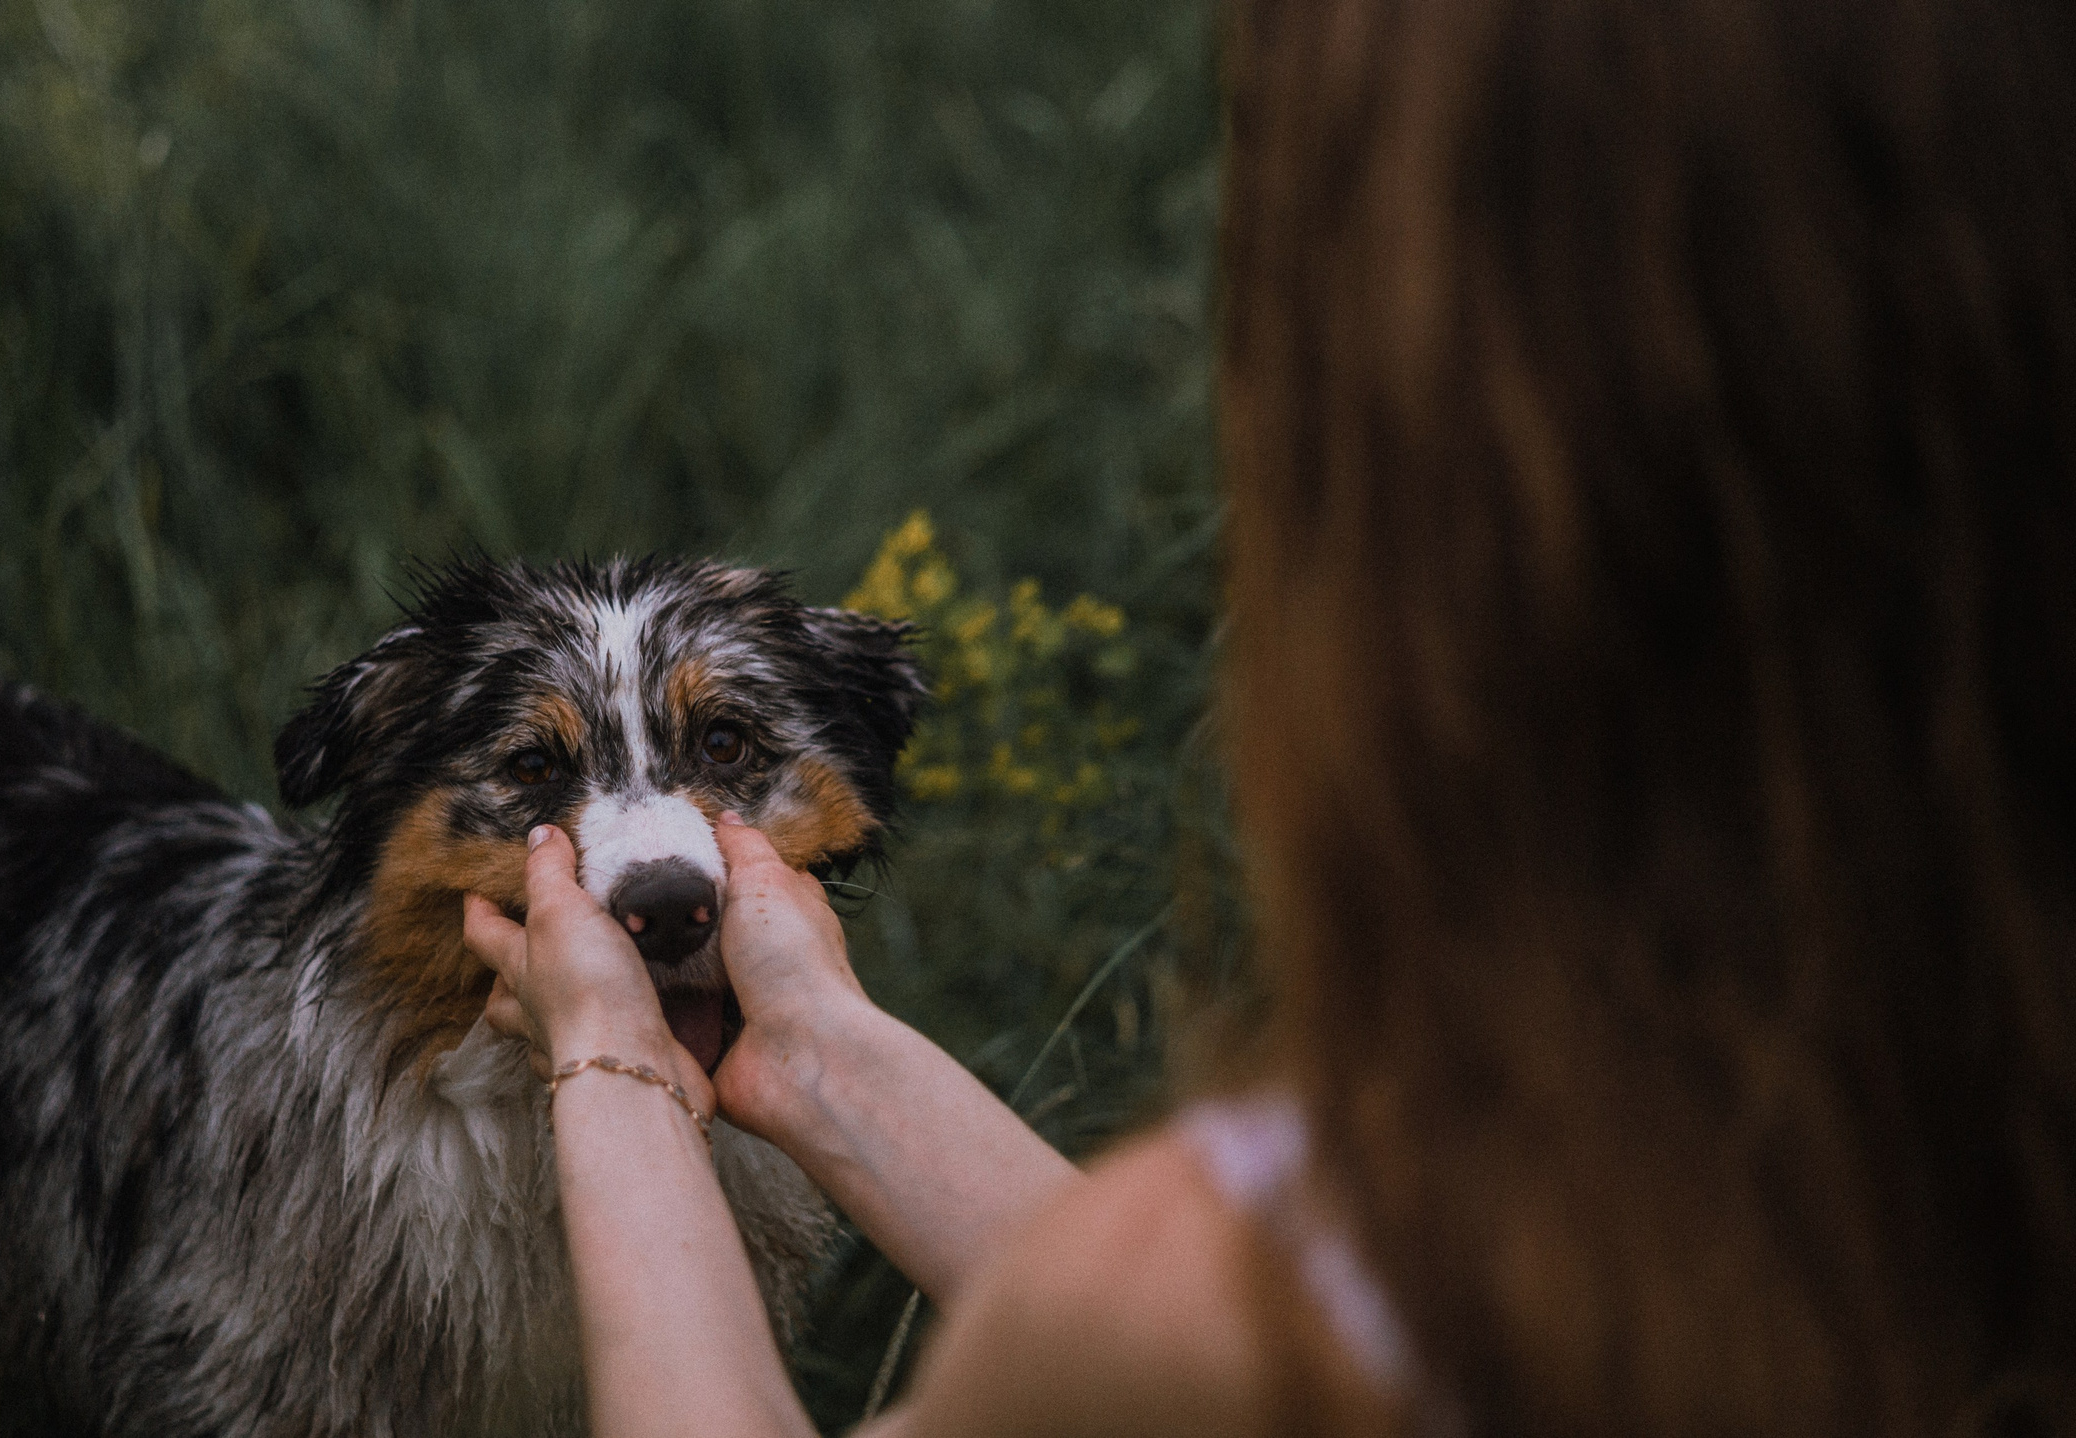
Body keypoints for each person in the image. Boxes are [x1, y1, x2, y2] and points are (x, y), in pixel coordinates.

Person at [463, 0, 2076, 1433]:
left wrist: (610, 1062)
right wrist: (822, 1058)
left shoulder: (1372, 1256)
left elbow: (1210, 1330)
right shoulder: (1939, 1178)